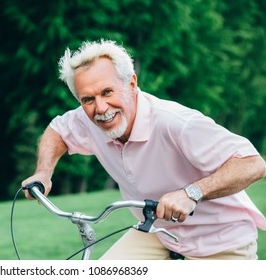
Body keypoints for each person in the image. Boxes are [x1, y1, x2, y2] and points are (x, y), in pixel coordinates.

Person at [22, 39, 266, 259]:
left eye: (108, 92)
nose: (101, 108)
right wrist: (43, 172)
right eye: (88, 99)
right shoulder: (90, 119)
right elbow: (58, 131)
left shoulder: (176, 123)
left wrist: (191, 193)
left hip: (220, 243)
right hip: (158, 232)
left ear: (132, 83)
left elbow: (253, 164)